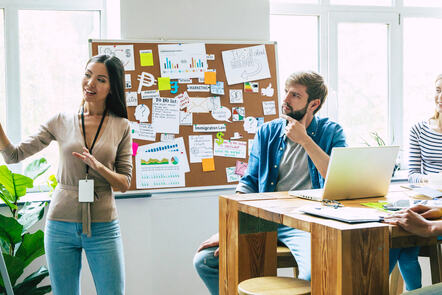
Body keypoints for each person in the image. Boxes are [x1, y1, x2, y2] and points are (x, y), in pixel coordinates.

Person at [193, 71, 347, 294]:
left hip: (307, 223)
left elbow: (337, 180)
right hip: (265, 218)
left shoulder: (331, 132)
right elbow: (249, 182)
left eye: (295, 95)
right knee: (205, 261)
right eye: (286, 92)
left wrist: (305, 139)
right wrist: (229, 228)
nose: (285, 100)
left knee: (313, 275)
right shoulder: (267, 131)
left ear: (314, 104)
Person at [0, 54, 132, 295]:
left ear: (112, 87)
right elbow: (13, 156)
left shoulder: (121, 126)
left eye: (100, 79)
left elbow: (124, 183)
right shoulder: (60, 121)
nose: (90, 83)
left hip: (102, 227)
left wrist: (98, 167)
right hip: (60, 224)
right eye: (87, 74)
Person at [387, 74, 442, 291]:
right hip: (426, 197)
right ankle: (413, 289)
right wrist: (431, 178)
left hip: (437, 209)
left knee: (400, 242)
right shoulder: (420, 129)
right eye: (438, 89)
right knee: (399, 227)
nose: (441, 96)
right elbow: (412, 174)